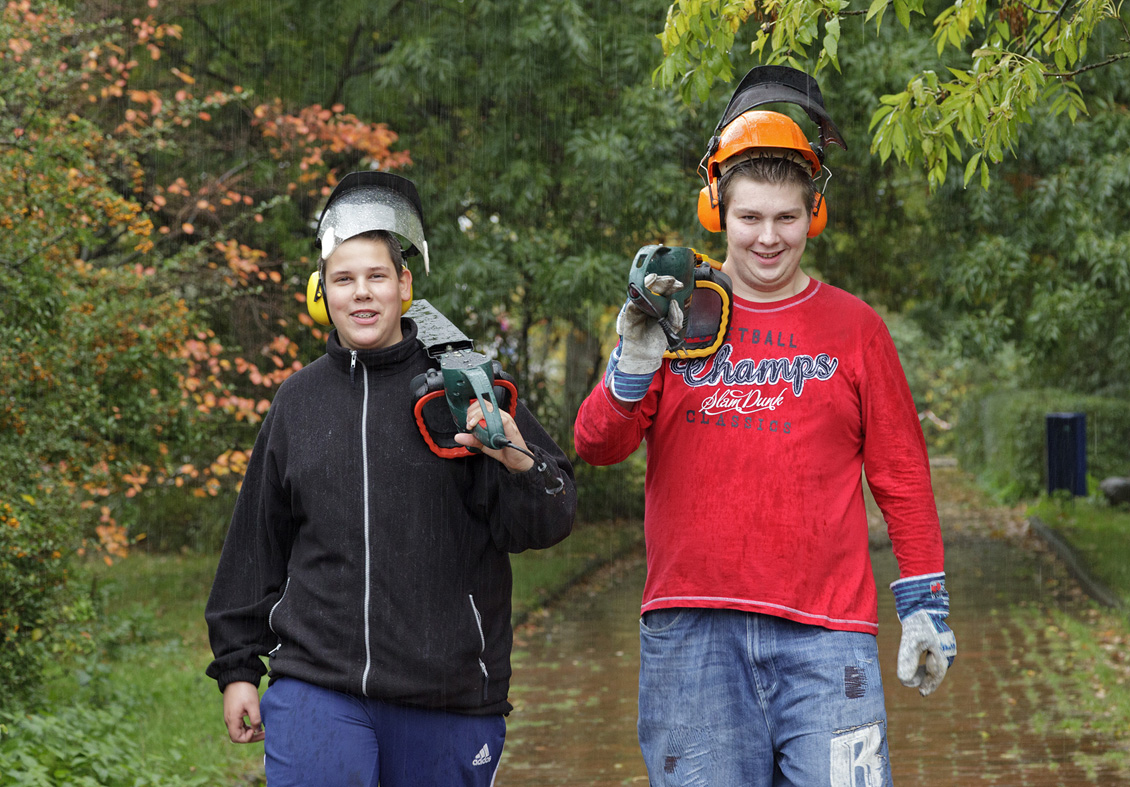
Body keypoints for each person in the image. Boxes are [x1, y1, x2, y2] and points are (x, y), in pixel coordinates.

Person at [574, 70, 955, 787]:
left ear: (814, 214)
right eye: (750, 217)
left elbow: (901, 475)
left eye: (786, 217)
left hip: (826, 638)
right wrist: (632, 359)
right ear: (715, 209)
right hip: (691, 637)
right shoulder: (674, 314)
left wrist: (924, 605)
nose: (768, 238)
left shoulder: (855, 328)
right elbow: (597, 443)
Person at [205, 171, 576, 787]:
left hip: (448, 694)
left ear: (404, 285)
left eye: (376, 276)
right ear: (322, 292)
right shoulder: (297, 402)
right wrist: (238, 668)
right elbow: (255, 544)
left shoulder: (463, 384)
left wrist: (517, 458)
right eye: (343, 280)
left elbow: (545, 521)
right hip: (317, 685)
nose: (362, 294)